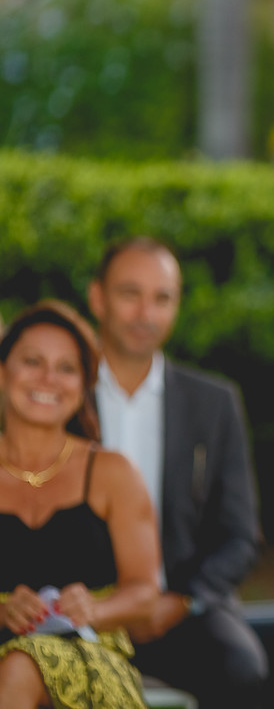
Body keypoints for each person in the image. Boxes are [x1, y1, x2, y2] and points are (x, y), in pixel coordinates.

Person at [87, 237, 267, 709]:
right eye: (130, 293)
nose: (146, 312)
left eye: (162, 297)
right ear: (97, 298)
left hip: (177, 608)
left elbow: (240, 537)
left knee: (241, 668)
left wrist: (182, 602)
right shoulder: (62, 395)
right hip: (79, 608)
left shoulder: (214, 403)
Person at [0, 299, 160, 709]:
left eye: (66, 367)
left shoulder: (113, 473)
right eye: (32, 361)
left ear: (84, 385)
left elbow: (145, 594)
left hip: (92, 656)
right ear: (3, 372)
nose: (49, 378)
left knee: (20, 666)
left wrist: (96, 607)